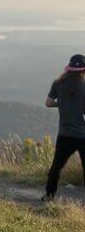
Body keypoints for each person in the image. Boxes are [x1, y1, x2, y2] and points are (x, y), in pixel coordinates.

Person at [43, 54, 85, 201]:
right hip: (82, 135)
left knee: (56, 167)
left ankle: (49, 196)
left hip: (65, 134)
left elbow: (48, 103)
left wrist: (61, 103)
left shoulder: (57, 83)